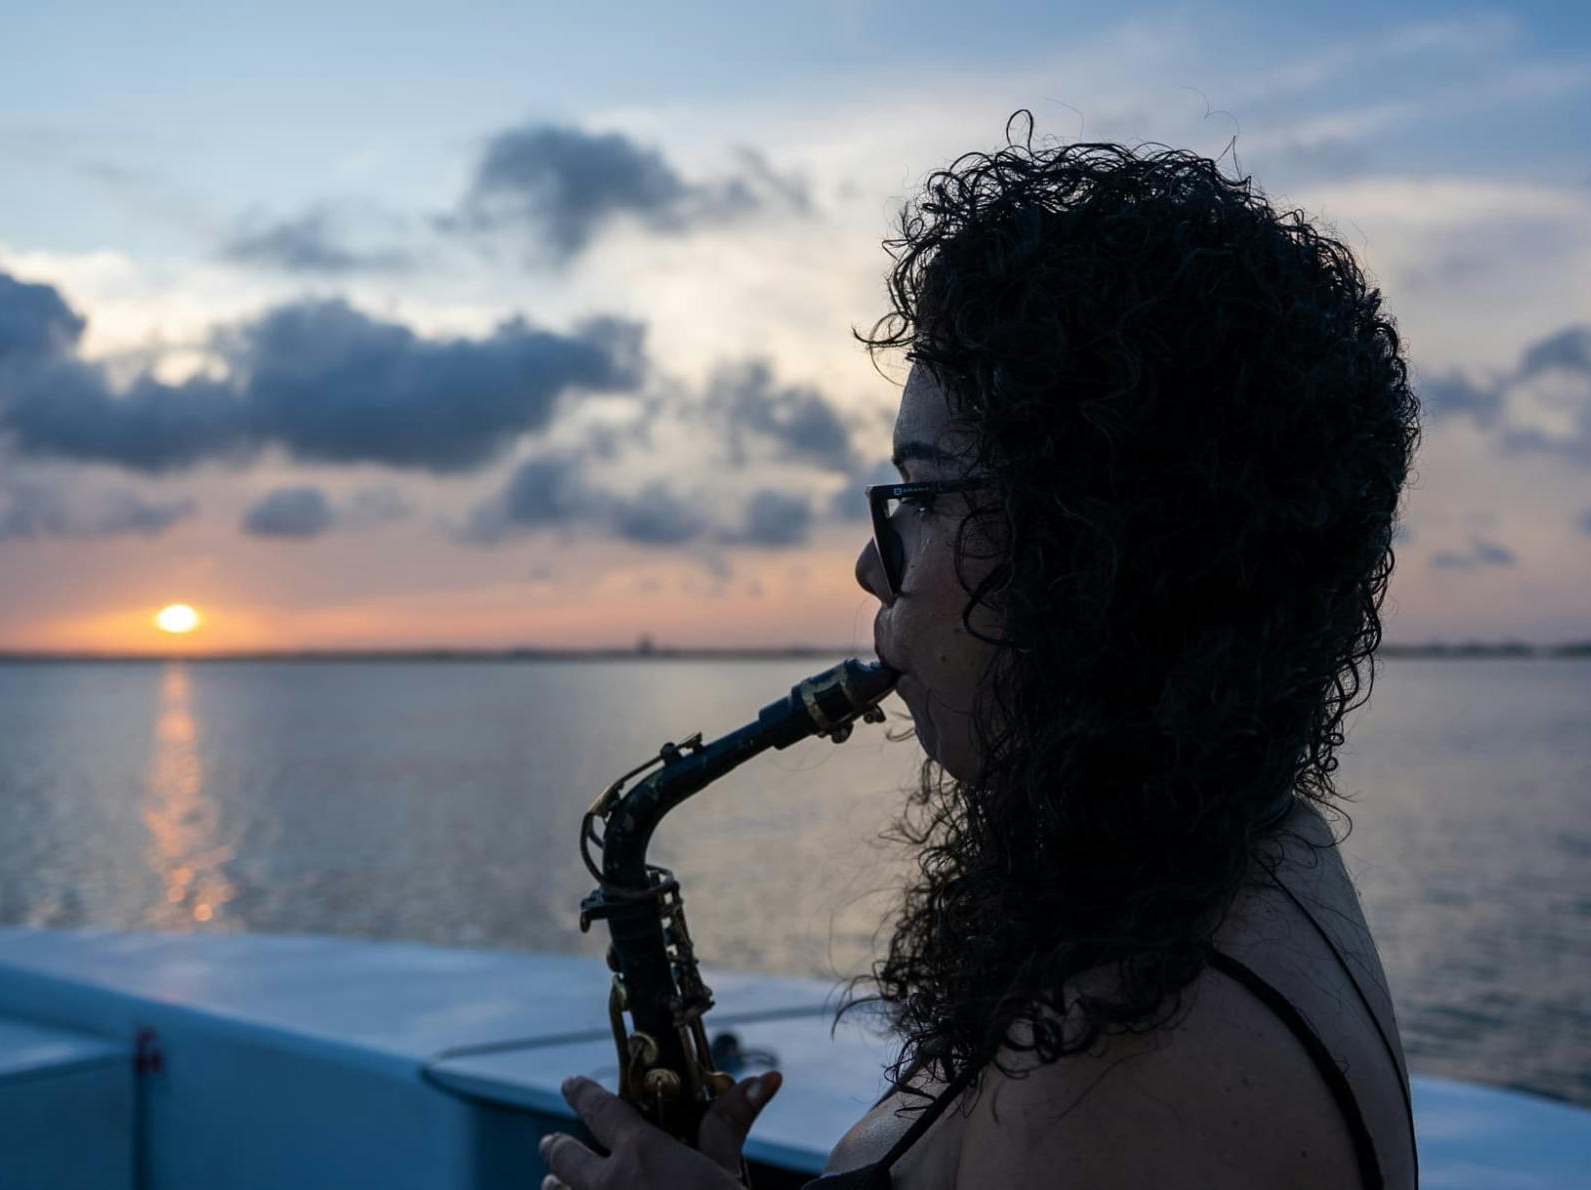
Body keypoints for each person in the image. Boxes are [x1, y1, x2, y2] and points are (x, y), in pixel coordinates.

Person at [539, 112, 1423, 1190]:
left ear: (1086, 549)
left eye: (917, 493)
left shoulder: (1110, 1077)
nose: (873, 568)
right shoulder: (1248, 856)